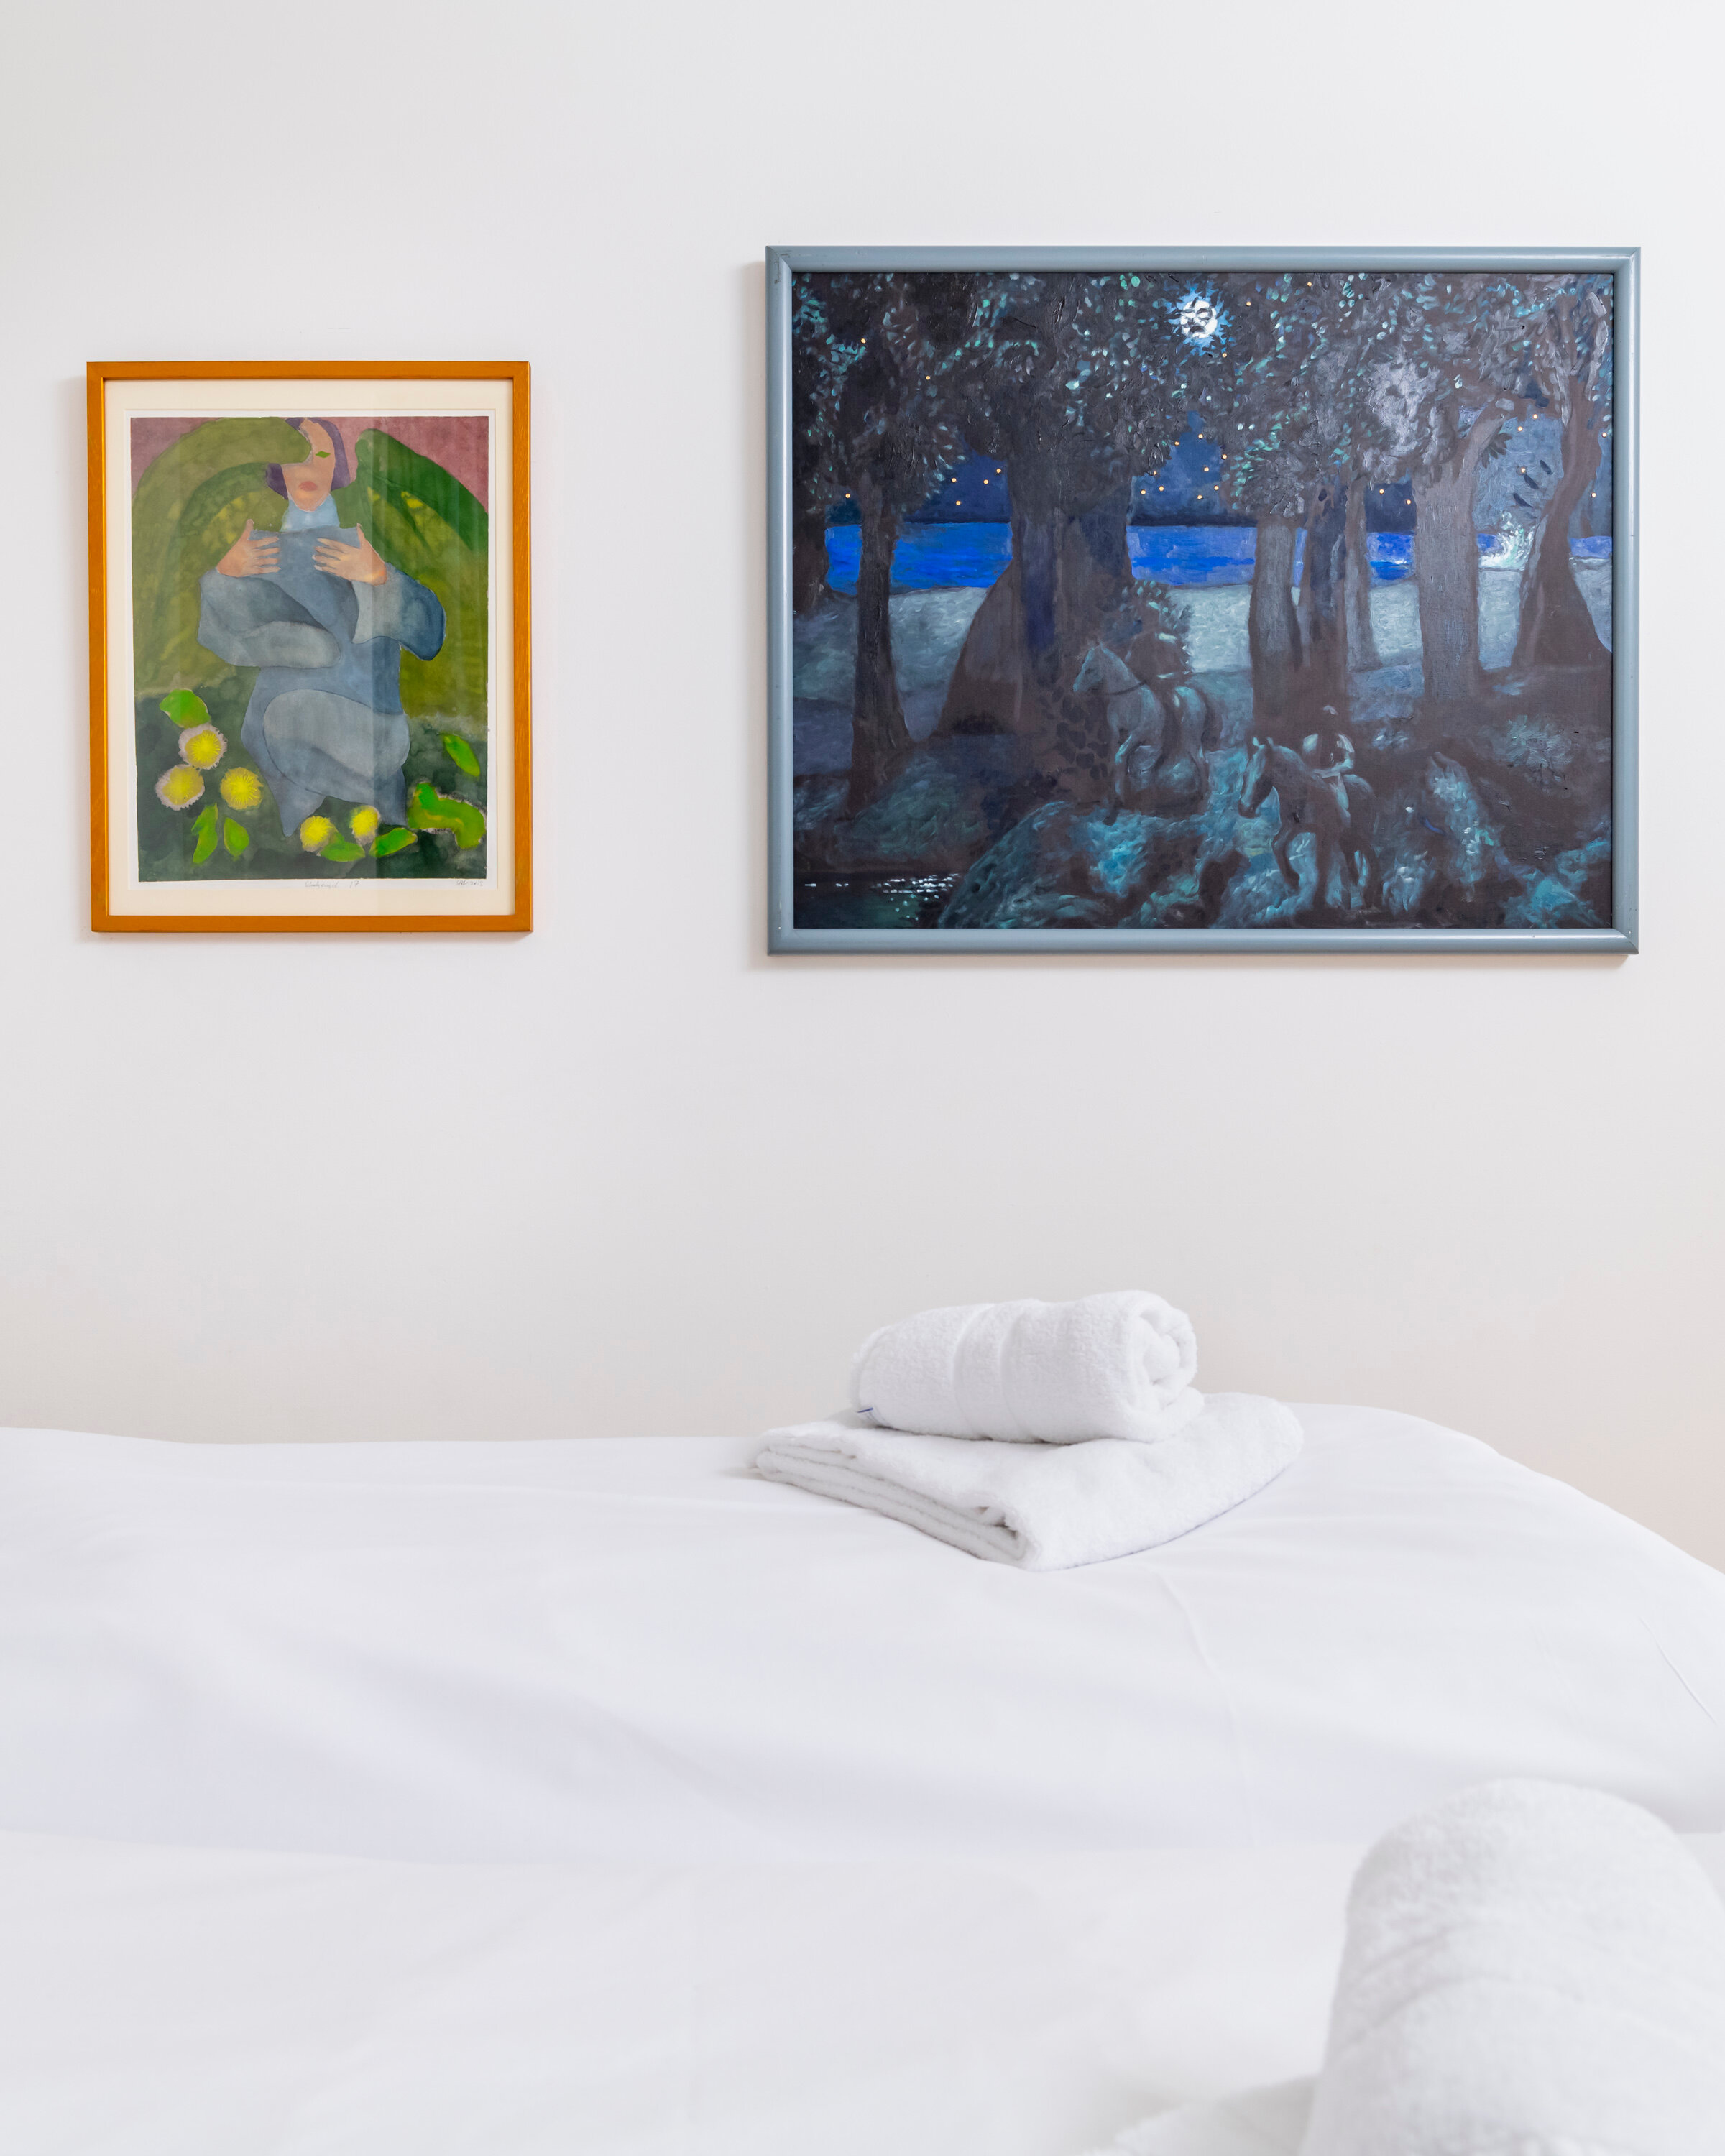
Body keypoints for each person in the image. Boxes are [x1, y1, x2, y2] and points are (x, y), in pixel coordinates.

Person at [196, 420, 446, 837]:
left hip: (370, 733)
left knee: (382, 829)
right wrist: (223, 576)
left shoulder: (363, 545)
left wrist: (381, 578)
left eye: (322, 456)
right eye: (295, 458)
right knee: (298, 835)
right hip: (280, 741)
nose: (308, 470)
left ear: (338, 467)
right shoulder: (259, 551)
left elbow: (430, 636)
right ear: (277, 470)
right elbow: (227, 640)